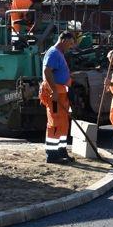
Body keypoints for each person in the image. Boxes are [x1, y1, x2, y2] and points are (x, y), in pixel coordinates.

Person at [39, 31, 75, 163]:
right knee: (55, 124)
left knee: (63, 124)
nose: (70, 46)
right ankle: (52, 154)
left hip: (61, 94)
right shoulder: (53, 52)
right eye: (70, 43)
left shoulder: (59, 53)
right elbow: (47, 71)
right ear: (63, 40)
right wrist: (54, 91)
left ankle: (61, 150)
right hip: (55, 95)